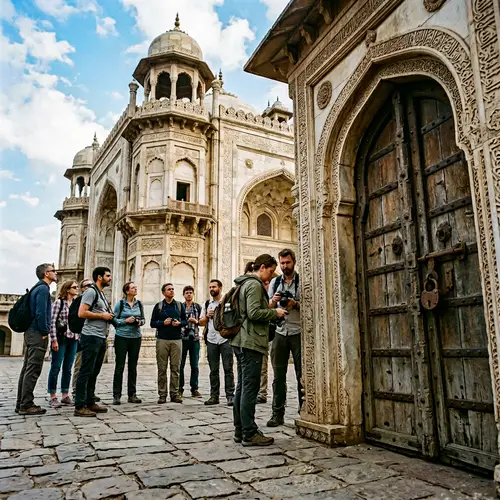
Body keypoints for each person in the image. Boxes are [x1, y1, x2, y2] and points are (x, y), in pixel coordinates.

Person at [231, 255, 287, 446]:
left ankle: (240, 430)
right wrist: (275, 312)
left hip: (240, 341)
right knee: (249, 388)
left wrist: (269, 306)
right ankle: (249, 432)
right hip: (251, 342)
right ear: (263, 267)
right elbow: (254, 313)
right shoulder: (254, 284)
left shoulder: (243, 283)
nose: (271, 277)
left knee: (242, 387)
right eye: (271, 272)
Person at [267, 248, 303, 427]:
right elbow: (267, 307)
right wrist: (274, 302)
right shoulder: (274, 282)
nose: (284, 266)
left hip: (298, 332)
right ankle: (277, 413)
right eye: (282, 263)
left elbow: (313, 306)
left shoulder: (302, 281)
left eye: (287, 263)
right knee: (278, 376)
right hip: (280, 333)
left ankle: (305, 411)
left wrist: (295, 303)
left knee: (302, 375)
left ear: (294, 262)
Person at [16, 263, 57, 415]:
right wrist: (45, 331)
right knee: (33, 369)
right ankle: (26, 404)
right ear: (46, 273)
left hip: (31, 332)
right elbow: (40, 313)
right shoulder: (43, 289)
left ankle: (21, 402)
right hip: (37, 333)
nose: (56, 273)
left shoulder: (37, 288)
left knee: (27, 368)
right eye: (53, 271)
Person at [74, 266, 113, 417]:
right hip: (90, 336)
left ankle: (90, 401)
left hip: (100, 336)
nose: (110, 278)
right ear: (100, 277)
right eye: (108, 276)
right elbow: (82, 312)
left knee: (94, 371)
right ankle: (79, 405)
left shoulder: (100, 293)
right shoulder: (90, 291)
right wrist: (102, 317)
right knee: (85, 370)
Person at [199, 280, 235, 406]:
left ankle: (230, 395)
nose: (211, 289)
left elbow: (233, 318)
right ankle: (214, 396)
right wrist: (207, 316)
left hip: (225, 339)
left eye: (214, 287)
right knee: (213, 370)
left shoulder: (227, 302)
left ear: (220, 287)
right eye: (210, 287)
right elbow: (201, 322)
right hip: (211, 340)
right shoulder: (207, 304)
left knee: (228, 369)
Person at [151, 283, 187, 404]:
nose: (171, 291)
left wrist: (179, 323)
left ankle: (174, 394)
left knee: (175, 368)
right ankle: (162, 394)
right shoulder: (159, 306)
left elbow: (185, 321)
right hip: (162, 339)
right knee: (162, 368)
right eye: (169, 289)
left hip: (176, 339)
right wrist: (163, 323)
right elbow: (152, 323)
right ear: (163, 292)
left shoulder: (179, 305)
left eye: (172, 289)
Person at [47, 280, 80, 408]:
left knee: (68, 368)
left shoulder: (76, 304)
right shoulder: (59, 303)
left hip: (73, 338)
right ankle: (52, 396)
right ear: (67, 289)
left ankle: (65, 395)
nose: (77, 289)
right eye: (74, 287)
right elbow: (52, 322)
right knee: (56, 367)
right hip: (61, 339)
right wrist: (54, 340)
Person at [112, 281, 145, 405]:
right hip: (122, 336)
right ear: (127, 291)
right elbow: (113, 320)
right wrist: (125, 321)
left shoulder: (139, 304)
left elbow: (143, 320)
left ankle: (132, 394)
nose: (135, 289)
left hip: (136, 337)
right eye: (133, 288)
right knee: (119, 366)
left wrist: (138, 322)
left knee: (133, 366)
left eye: (136, 287)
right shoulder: (120, 304)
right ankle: (117, 395)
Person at [71, 279, 95, 400]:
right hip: (82, 337)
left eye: (92, 285)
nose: (91, 287)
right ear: (83, 288)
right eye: (88, 285)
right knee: (80, 366)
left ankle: (88, 392)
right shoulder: (79, 301)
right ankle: (77, 391)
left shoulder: (94, 299)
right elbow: (74, 320)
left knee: (91, 366)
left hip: (94, 337)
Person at [179, 286, 202, 398]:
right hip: (182, 339)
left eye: (190, 293)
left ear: (193, 294)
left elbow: (203, 321)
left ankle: (194, 388)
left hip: (195, 339)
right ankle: (180, 389)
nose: (189, 294)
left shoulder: (198, 307)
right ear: (183, 294)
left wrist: (196, 321)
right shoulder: (180, 307)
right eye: (187, 293)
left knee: (195, 365)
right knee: (180, 365)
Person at [257, 275, 276, 404]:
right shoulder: (257, 297)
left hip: (276, 334)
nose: (265, 286)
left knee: (277, 367)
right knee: (261, 366)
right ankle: (261, 392)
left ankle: (279, 396)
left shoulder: (275, 296)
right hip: (261, 335)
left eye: (267, 283)